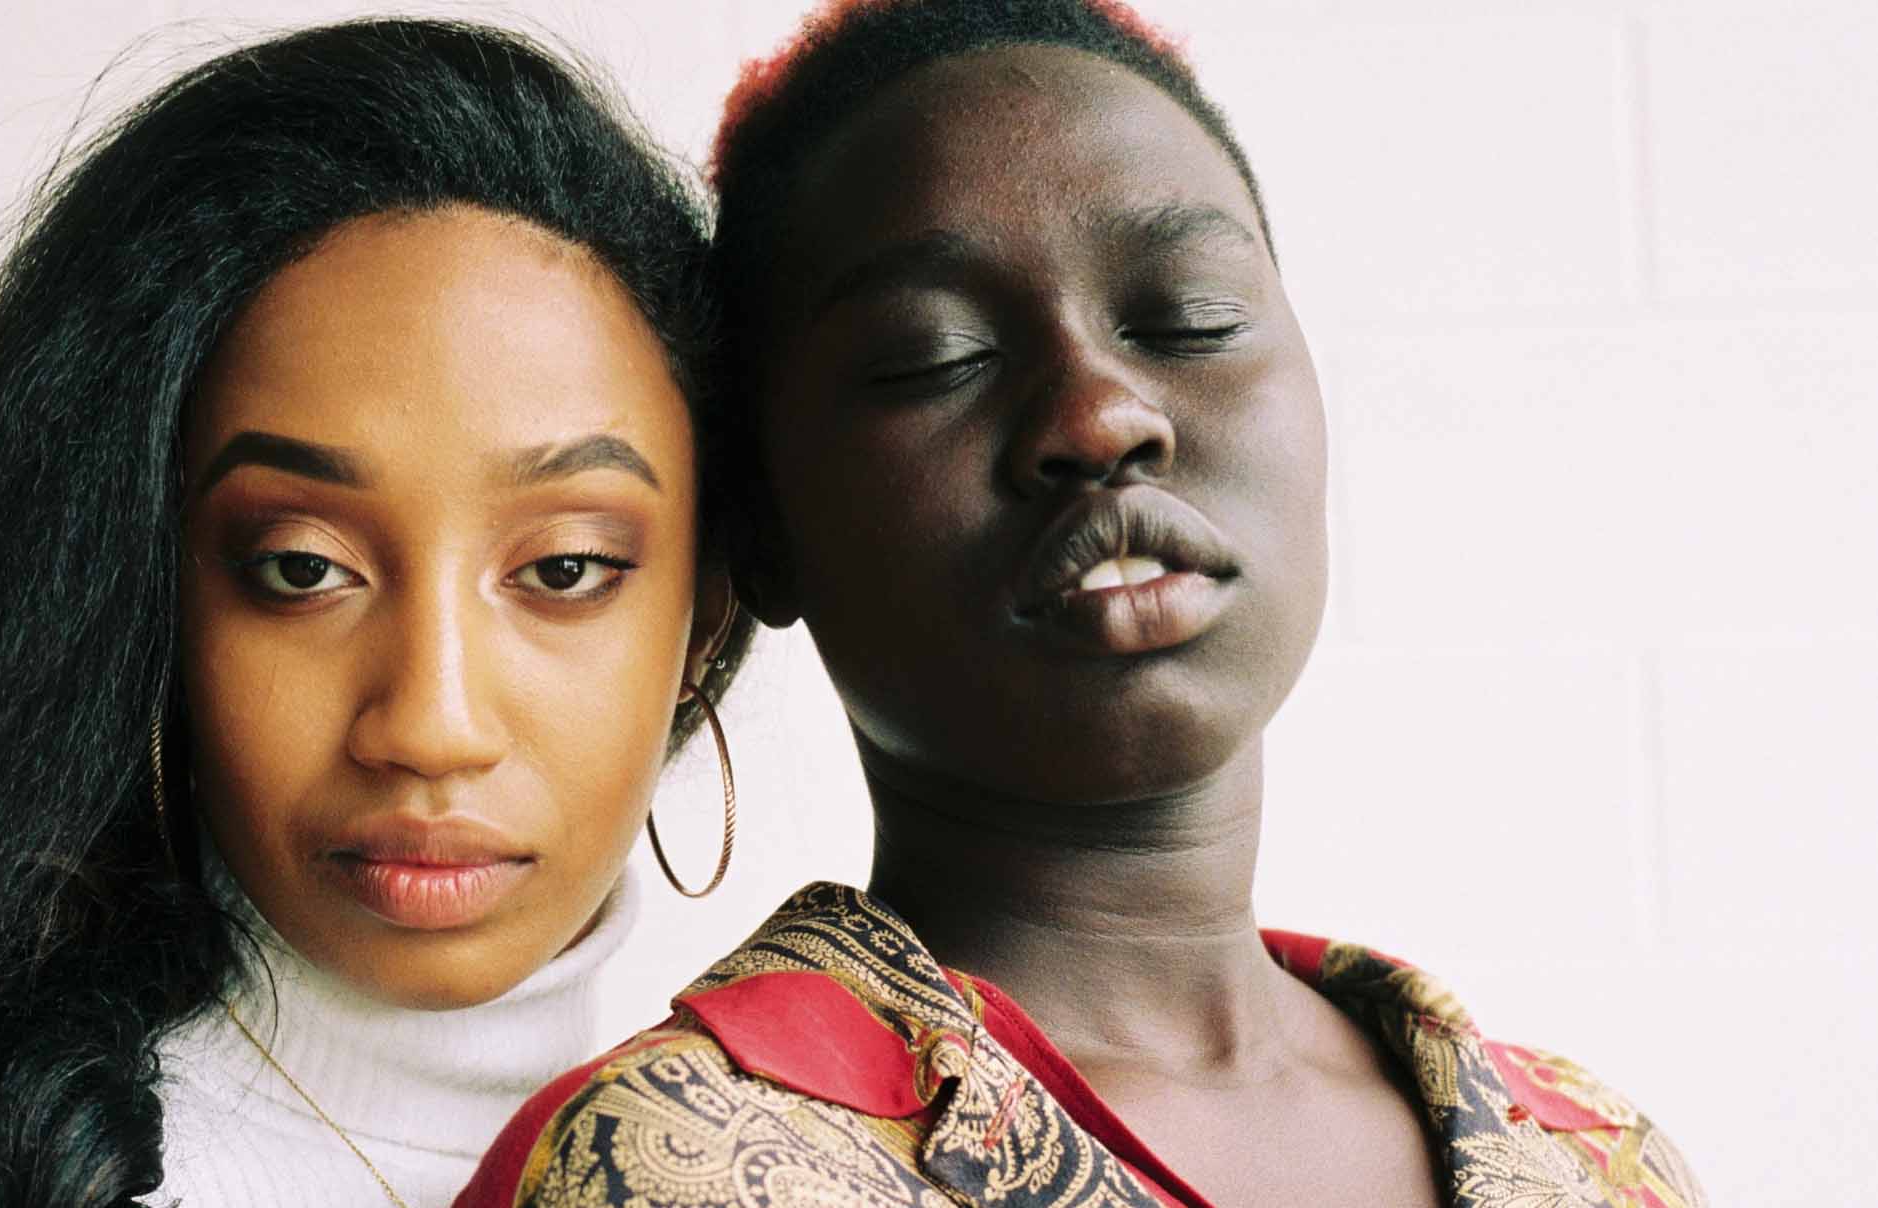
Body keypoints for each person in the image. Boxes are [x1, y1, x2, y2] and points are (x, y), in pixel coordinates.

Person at [458, 2, 1704, 1205]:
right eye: (936, 356)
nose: (1100, 416)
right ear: (764, 527)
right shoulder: (669, 1161)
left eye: (1190, 318)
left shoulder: (1593, 1155)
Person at [0, 19, 751, 1208]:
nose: (430, 725)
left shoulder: (772, 1158)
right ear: (143, 592)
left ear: (706, 614)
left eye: (564, 568)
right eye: (301, 568)